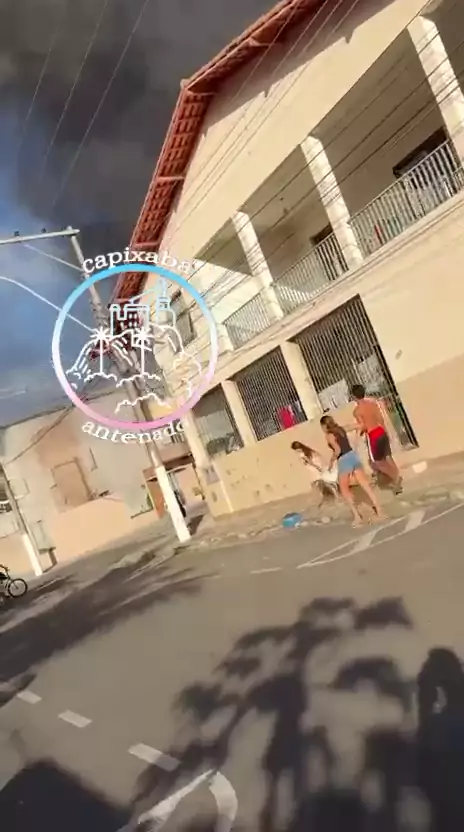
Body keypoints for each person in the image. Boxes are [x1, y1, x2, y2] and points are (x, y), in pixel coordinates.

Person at [320, 415, 385, 526]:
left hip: (344, 459)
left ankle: (357, 516)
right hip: (353, 455)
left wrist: (331, 461)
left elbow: (337, 450)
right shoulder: (341, 429)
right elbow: (359, 426)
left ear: (324, 426)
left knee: (344, 490)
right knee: (365, 485)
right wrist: (356, 440)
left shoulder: (329, 435)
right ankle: (379, 511)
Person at [350, 384, 403, 494]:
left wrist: (358, 433)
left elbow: (363, 426)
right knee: (388, 457)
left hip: (373, 436)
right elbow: (380, 419)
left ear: (354, 396)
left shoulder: (357, 411)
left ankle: (395, 477)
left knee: (377, 463)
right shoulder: (372, 404)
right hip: (381, 431)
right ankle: (397, 478)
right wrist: (385, 431)